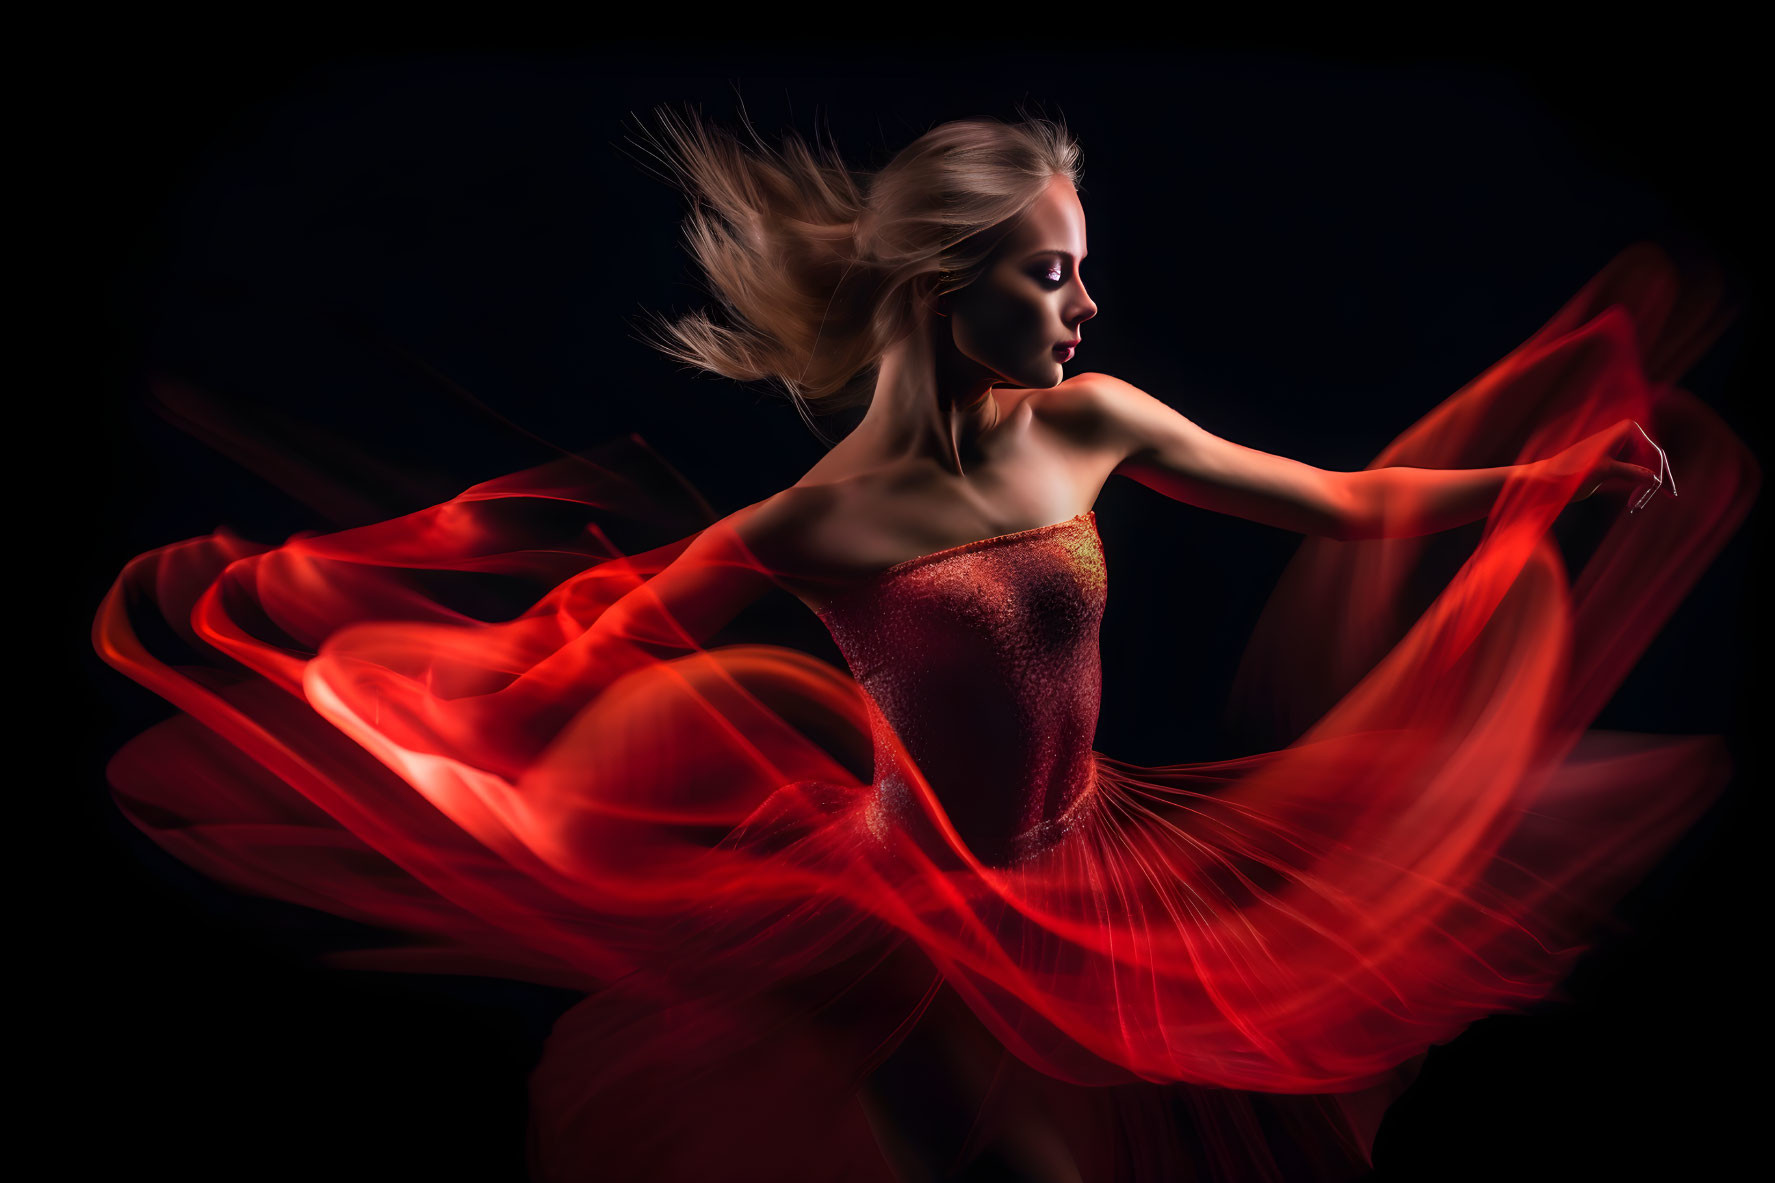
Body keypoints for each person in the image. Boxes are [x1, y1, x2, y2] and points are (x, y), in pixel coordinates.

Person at [96, 110, 1758, 1181]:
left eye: (1080, 275)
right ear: (942, 289)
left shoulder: (1090, 421)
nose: (1083, 311)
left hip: (1094, 870)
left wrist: (1535, 476)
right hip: (896, 915)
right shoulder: (811, 523)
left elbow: (1350, 504)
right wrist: (422, 695)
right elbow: (595, 632)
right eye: (1051, 277)